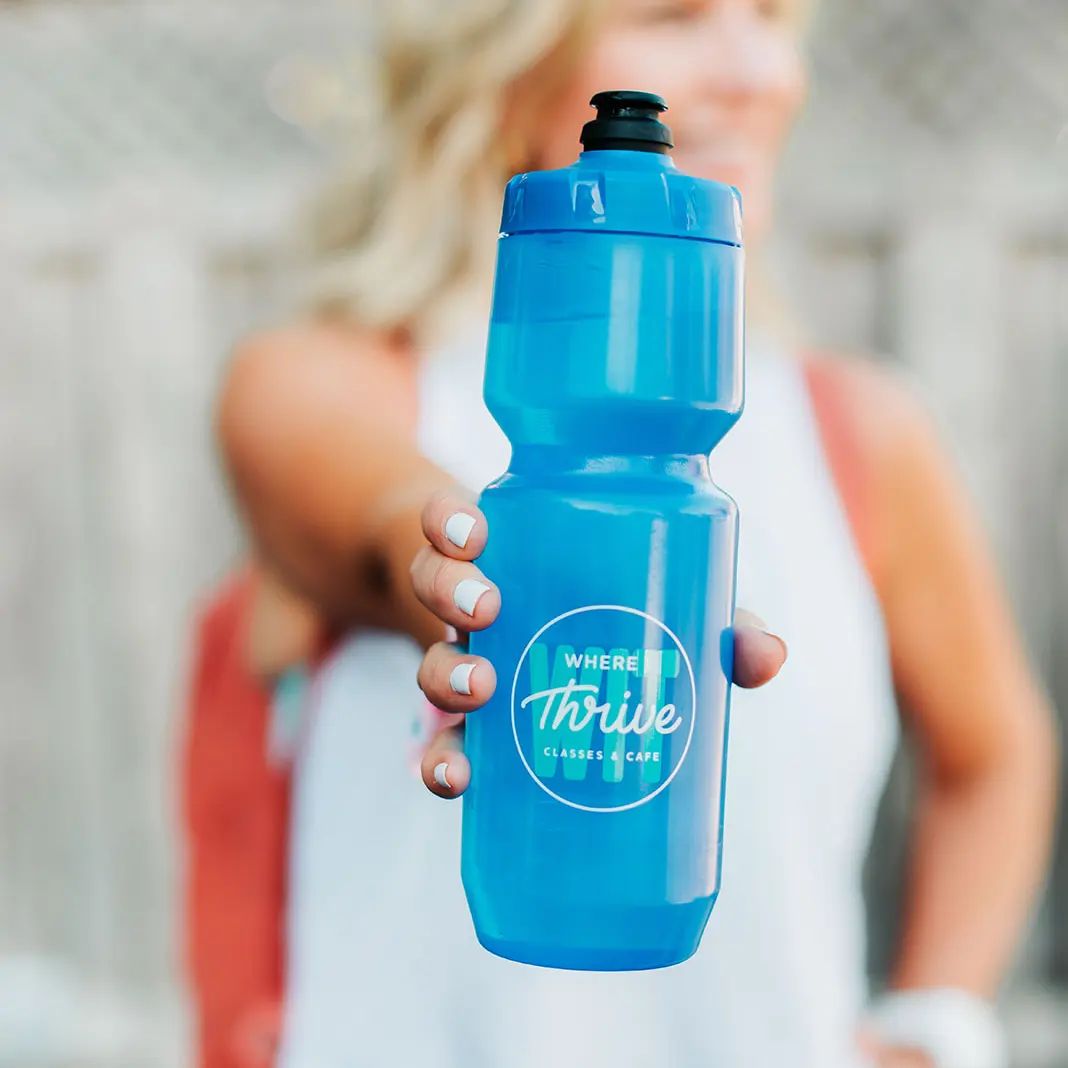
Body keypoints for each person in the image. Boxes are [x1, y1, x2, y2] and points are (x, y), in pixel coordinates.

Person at [184, 1, 1057, 1066]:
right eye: (674, 14)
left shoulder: (859, 434)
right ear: (506, 63)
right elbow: (375, 520)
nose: (756, 70)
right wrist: (467, 577)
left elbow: (995, 756)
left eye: (770, 15)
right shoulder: (322, 384)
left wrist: (933, 1027)